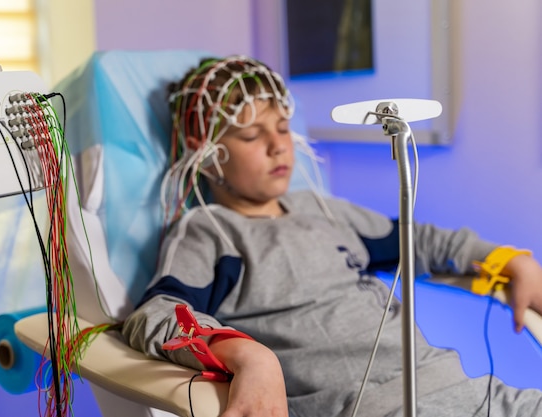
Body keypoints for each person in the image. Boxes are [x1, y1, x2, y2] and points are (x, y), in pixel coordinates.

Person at [122, 55, 542, 417]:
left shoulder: (323, 210)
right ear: (205, 150)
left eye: (283, 128)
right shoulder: (211, 231)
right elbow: (157, 314)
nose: (278, 146)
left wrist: (509, 260)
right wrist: (249, 355)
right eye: (251, 135)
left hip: (477, 394)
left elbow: (425, 242)